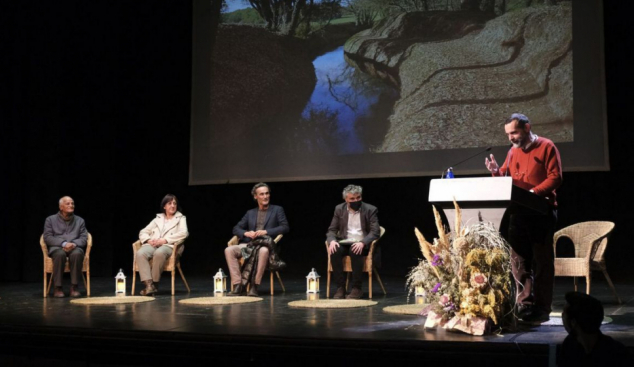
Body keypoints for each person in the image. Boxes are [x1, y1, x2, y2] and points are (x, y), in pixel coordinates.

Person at [485, 113, 562, 324]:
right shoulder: (512, 152)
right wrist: (495, 173)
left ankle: (542, 307)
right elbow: (505, 178)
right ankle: (524, 304)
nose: (510, 137)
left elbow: (556, 177)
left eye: (514, 132)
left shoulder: (546, 146)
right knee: (519, 262)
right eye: (508, 134)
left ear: (527, 128)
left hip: (541, 212)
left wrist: (534, 193)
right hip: (518, 212)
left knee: (542, 262)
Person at [225, 182, 290, 297]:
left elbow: (285, 227)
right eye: (262, 194)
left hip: (267, 247)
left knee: (263, 251)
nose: (265, 196)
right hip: (249, 248)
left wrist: (266, 232)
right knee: (229, 250)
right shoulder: (250, 213)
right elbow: (236, 228)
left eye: (267, 193)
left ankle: (255, 286)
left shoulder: (277, 210)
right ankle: (238, 285)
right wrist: (246, 232)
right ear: (255, 196)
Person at [326, 184, 380, 299]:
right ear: (346, 199)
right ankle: (340, 288)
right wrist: (332, 241)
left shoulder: (370, 209)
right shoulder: (339, 209)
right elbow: (332, 230)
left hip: (362, 243)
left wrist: (363, 242)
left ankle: (357, 288)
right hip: (345, 241)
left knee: (355, 250)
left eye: (358, 198)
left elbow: (375, 232)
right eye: (352, 199)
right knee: (335, 250)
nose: (356, 200)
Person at [558, 292, 633, 366]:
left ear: (573, 322)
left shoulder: (616, 353)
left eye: (564, 314)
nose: (562, 318)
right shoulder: (570, 345)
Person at [136, 194, 188, 296]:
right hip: (153, 244)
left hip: (169, 246)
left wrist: (165, 240)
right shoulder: (157, 219)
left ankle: (155, 284)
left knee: (159, 253)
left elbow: (184, 233)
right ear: (164, 206)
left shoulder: (180, 218)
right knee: (140, 253)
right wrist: (148, 240)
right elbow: (143, 232)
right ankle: (149, 285)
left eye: (174, 203)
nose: (173, 206)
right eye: (169, 203)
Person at [43, 196, 88, 298]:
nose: (71, 205)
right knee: (59, 254)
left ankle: (74, 287)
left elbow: (84, 238)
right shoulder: (50, 220)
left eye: (72, 203)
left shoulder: (80, 220)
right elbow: (48, 237)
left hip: (75, 247)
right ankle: (57, 287)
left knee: (77, 254)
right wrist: (63, 243)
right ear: (61, 207)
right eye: (68, 204)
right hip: (57, 247)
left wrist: (73, 244)